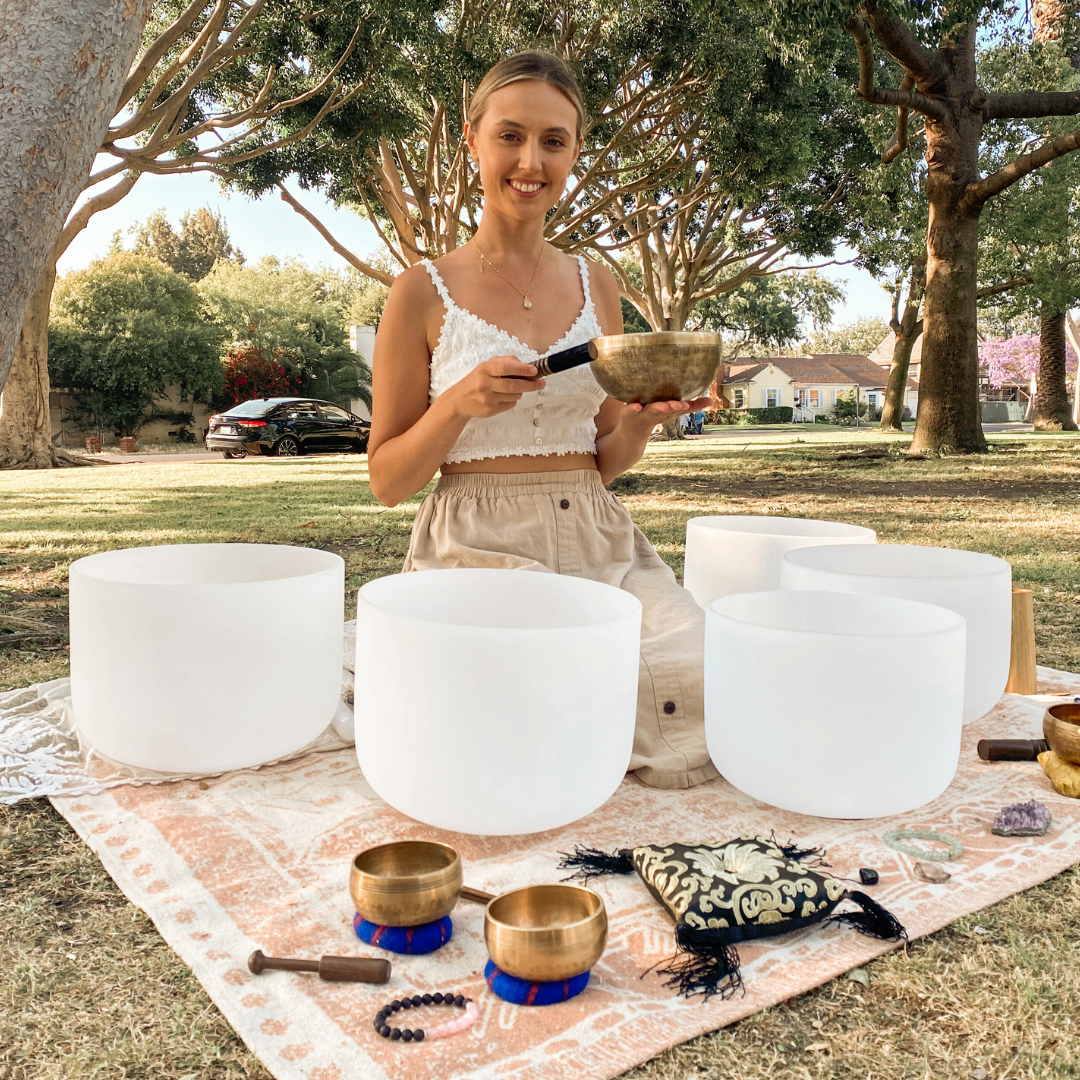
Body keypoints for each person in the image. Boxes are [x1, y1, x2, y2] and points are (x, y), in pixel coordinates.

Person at [367, 51, 716, 789]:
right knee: (522, 713)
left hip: (598, 535)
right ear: (472, 140)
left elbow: (604, 457)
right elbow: (388, 480)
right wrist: (457, 406)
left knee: (693, 672)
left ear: (575, 153)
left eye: (554, 141)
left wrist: (646, 423)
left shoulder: (599, 283)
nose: (531, 161)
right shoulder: (420, 292)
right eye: (511, 136)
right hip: (476, 545)